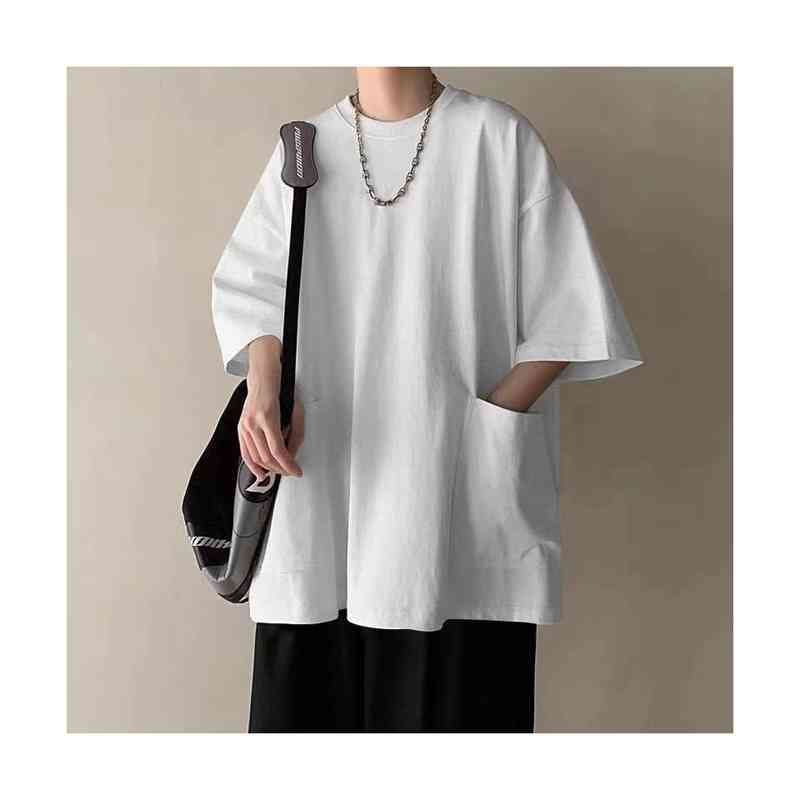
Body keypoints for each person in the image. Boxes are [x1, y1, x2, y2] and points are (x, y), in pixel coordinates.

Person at [211, 67, 643, 732]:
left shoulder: (498, 139)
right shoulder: (305, 147)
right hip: (322, 494)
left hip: (454, 512)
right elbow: (252, 287)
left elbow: (571, 310)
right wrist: (265, 383)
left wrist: (484, 423)